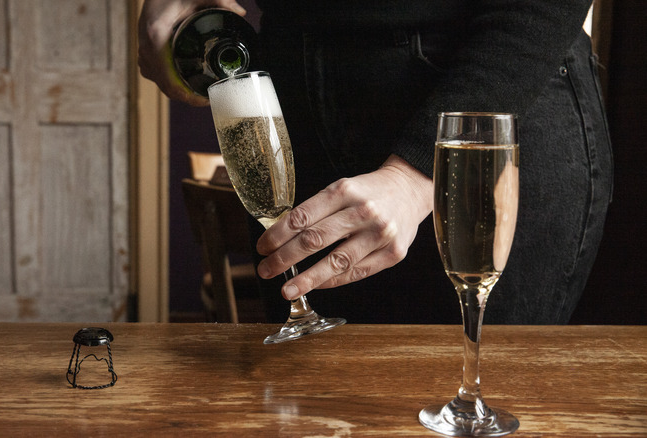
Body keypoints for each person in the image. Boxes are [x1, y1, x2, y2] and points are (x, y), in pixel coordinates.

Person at [139, 0, 613, 324]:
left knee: (473, 401)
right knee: (313, 406)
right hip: (292, 90)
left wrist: (413, 177)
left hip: (488, 99)